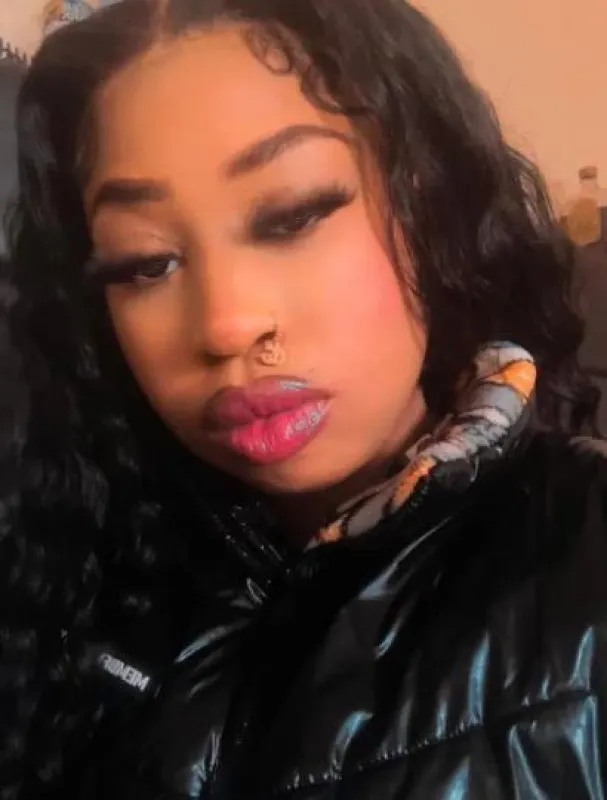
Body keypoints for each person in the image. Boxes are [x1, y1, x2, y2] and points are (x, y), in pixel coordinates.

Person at [1, 0, 606, 797]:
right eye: (144, 263)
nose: (225, 324)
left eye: (293, 215)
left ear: (427, 202)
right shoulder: (69, 568)